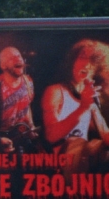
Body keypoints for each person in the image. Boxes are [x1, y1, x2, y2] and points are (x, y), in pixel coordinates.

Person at [42, 39, 109, 172]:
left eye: (92, 60)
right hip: (59, 166)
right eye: (83, 57)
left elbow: (105, 133)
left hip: (81, 164)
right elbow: (51, 136)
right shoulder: (56, 91)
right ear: (72, 62)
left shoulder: (90, 97)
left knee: (101, 147)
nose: (87, 64)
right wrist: (83, 107)